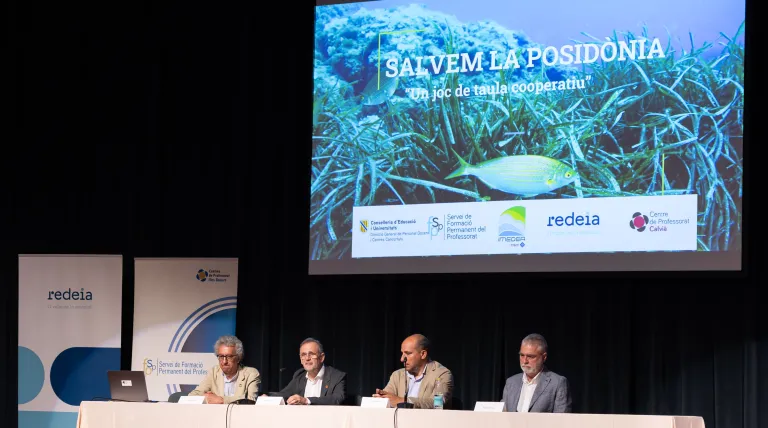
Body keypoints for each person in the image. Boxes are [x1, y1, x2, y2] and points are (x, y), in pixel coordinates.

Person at [373, 333, 453, 409]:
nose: (402, 359)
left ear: (423, 354)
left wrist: (403, 401)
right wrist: (381, 398)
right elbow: (388, 398)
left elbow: (437, 403)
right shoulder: (397, 375)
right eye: (402, 353)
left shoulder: (441, 374)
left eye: (408, 353)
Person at [501, 333, 571, 413]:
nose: (525, 361)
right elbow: (502, 414)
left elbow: (562, 420)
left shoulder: (558, 383)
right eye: (522, 355)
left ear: (544, 357)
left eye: (530, 356)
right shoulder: (511, 382)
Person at [265, 337, 347, 405]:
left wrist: (306, 400)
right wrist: (268, 397)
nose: (307, 358)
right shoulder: (299, 375)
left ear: (321, 357)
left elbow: (337, 399)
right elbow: (285, 393)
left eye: (311, 354)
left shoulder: (337, 376)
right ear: (301, 360)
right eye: (303, 355)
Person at [188, 335, 261, 404]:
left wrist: (221, 400)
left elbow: (251, 400)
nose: (224, 361)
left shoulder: (251, 374)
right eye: (221, 356)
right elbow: (192, 396)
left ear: (238, 358)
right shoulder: (214, 372)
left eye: (229, 356)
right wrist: (208, 398)